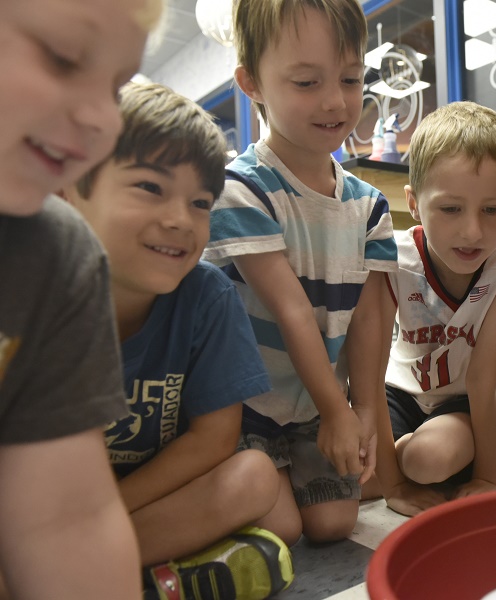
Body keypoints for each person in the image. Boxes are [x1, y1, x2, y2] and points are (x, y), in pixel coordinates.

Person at [63, 82, 293, 600]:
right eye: (149, 187)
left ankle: (75, 571)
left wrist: (98, 517)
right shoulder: (35, 294)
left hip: (144, 495)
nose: (179, 220)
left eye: (199, 202)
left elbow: (214, 440)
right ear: (72, 190)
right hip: (48, 500)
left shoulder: (207, 295)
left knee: (259, 482)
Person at [203, 0, 397, 543]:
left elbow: (369, 319)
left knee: (335, 523)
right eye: (307, 82)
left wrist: (361, 410)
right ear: (252, 83)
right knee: (282, 528)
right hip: (244, 407)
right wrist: (340, 412)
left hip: (314, 405)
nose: (335, 101)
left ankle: (290, 466)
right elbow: (290, 309)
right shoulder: (241, 188)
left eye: (351, 78)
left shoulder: (369, 205)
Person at [0, 1, 161, 598]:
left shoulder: (57, 258)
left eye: (118, 87)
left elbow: (65, 521)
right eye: (64, 58)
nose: (101, 118)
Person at [369, 102, 496, 515]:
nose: (472, 231)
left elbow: (483, 380)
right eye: (450, 209)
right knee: (346, 479)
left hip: (467, 402)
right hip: (399, 392)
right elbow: (368, 372)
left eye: (493, 210)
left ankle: (482, 452)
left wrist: (487, 479)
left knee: (426, 460)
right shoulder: (391, 256)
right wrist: (392, 484)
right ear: (414, 203)